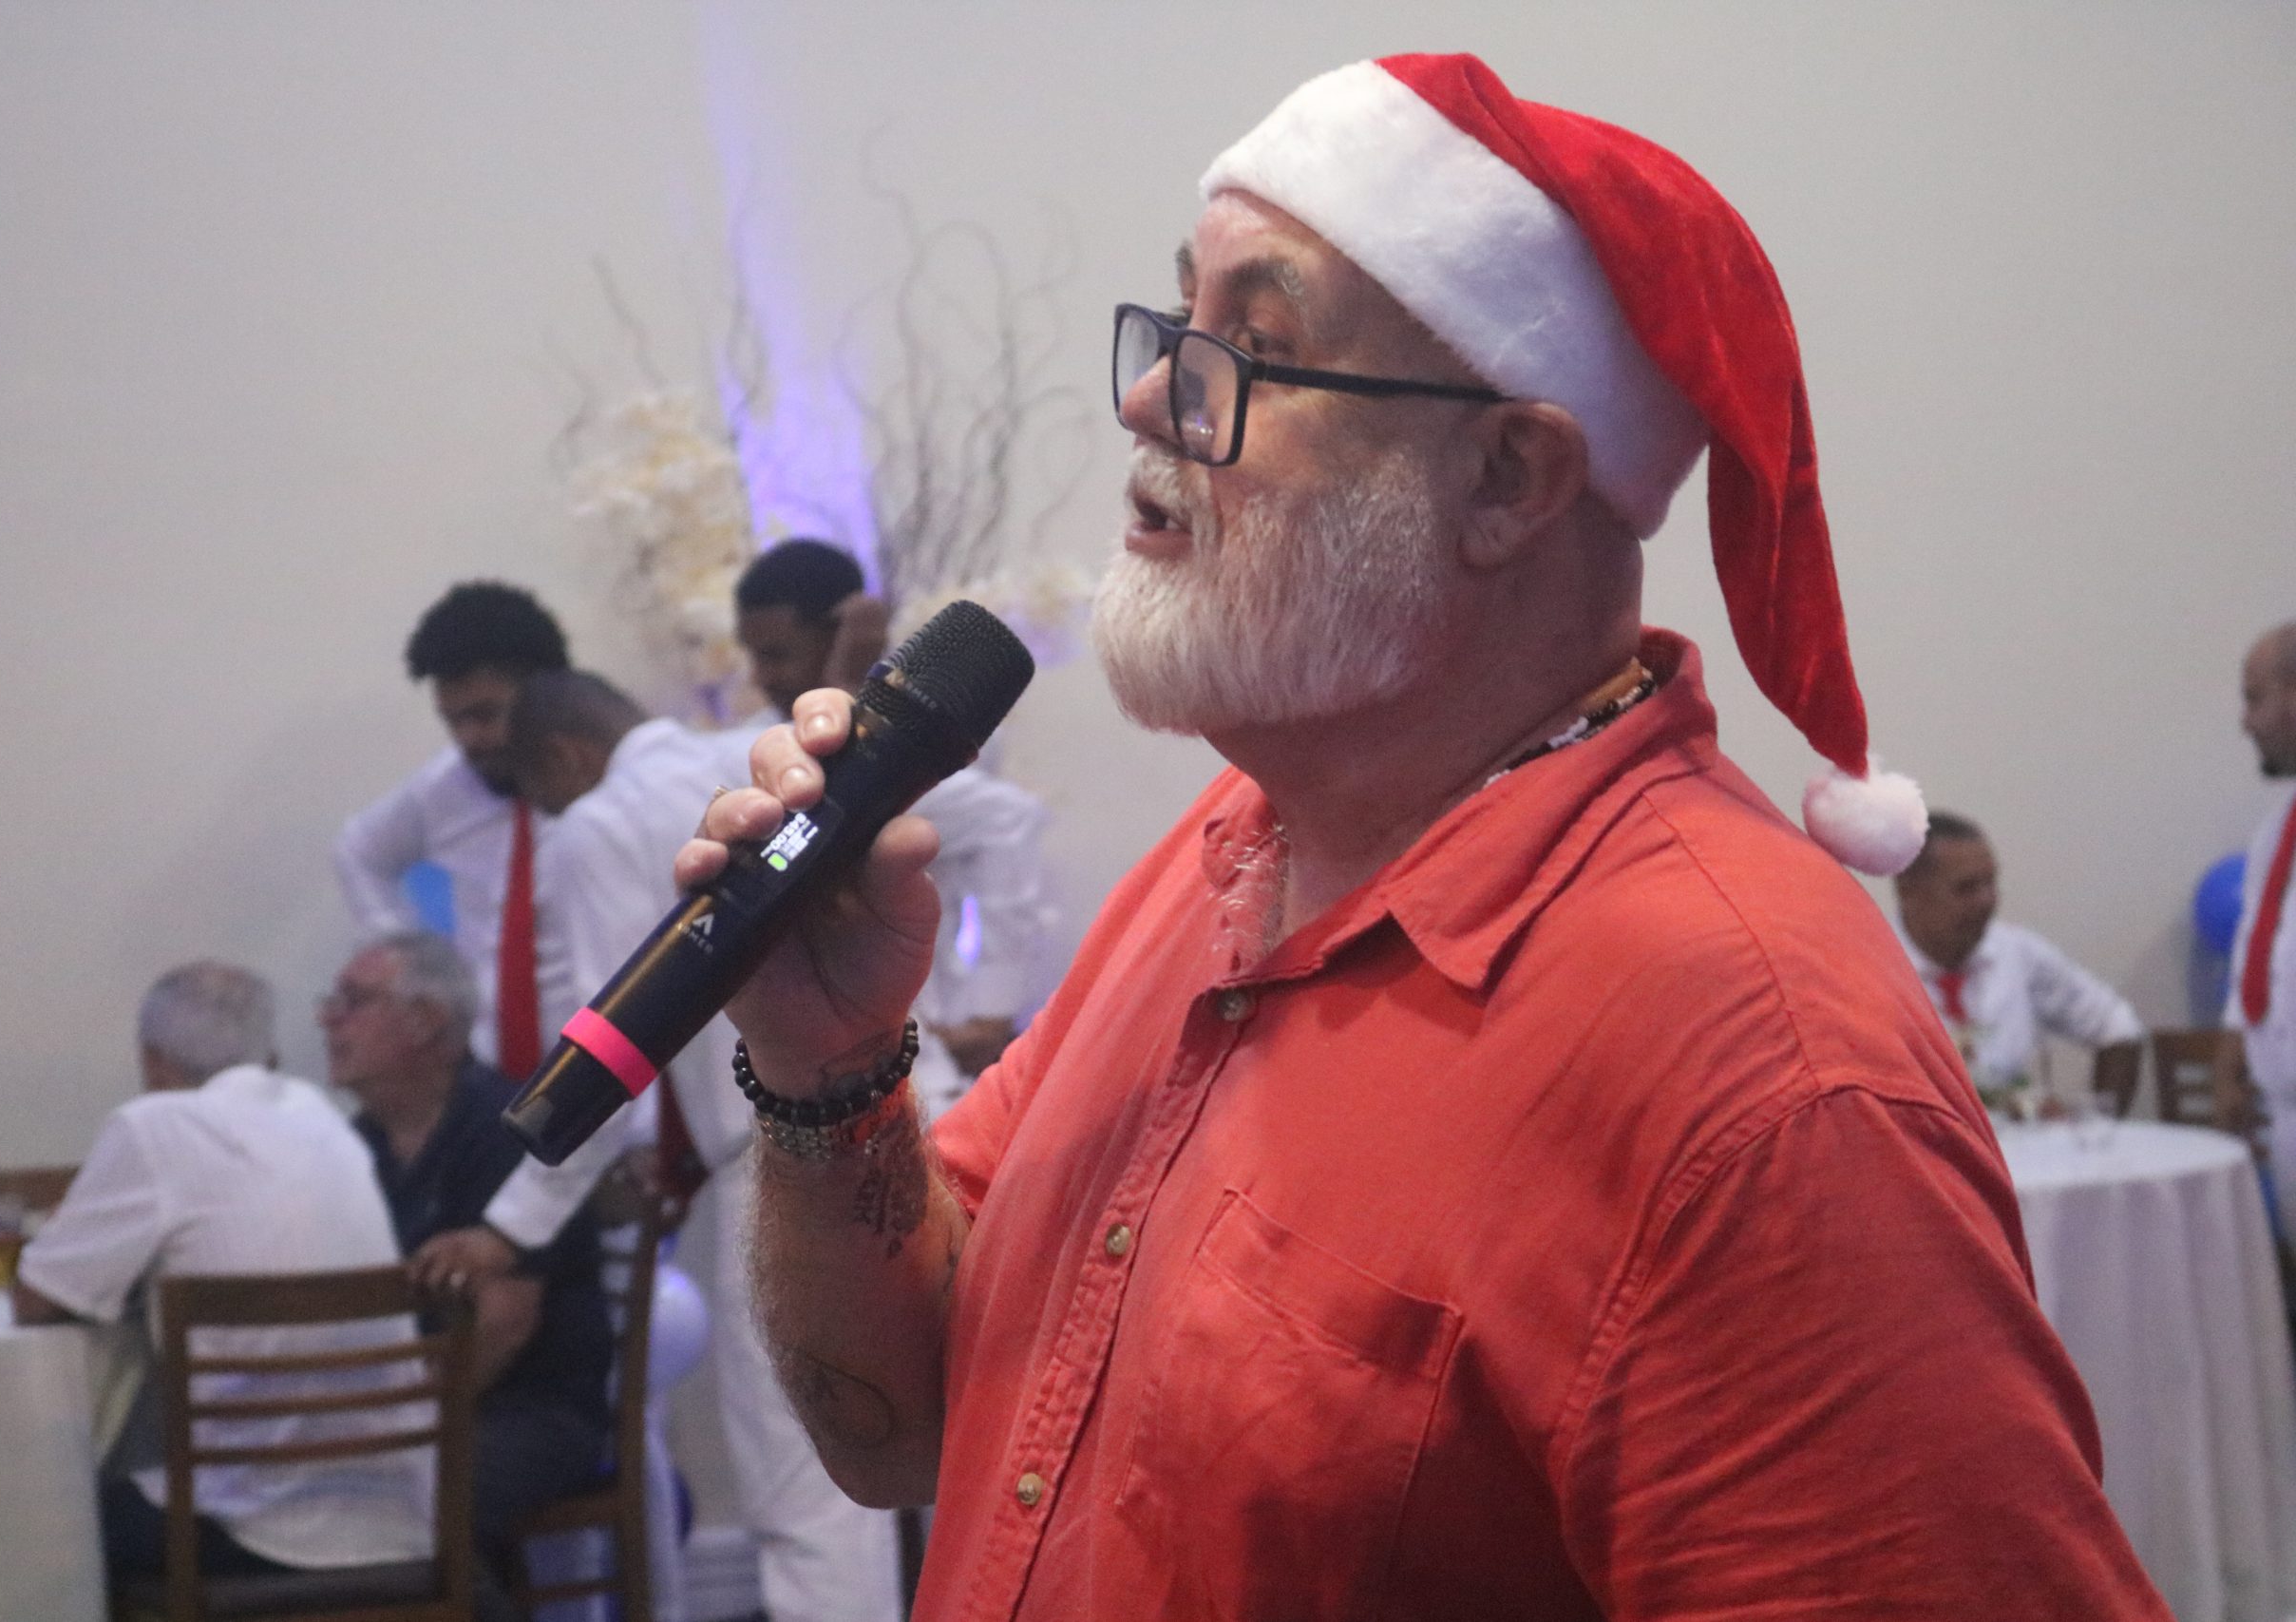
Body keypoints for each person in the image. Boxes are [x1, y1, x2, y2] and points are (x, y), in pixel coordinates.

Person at [679, 53, 2165, 1618]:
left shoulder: (1759, 1071)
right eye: (1178, 321)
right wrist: (827, 1067)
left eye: (1256, 348)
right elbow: (908, 1424)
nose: (1148, 397)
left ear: (1506, 476)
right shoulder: (1239, 848)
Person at [413, 671, 904, 1622]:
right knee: (931, 1460)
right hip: (918, 1121)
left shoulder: (601, 823)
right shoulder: (764, 752)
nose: (551, 819)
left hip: (788, 1157)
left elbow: (614, 1052)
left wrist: (510, 1228)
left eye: (543, 800)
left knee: (808, 1488)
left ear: (564, 759)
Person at [13, 963, 428, 1585]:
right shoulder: (322, 1118)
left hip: (249, 1525)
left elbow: (37, 1299)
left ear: (154, 1061)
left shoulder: (153, 1125)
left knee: (42, 1521)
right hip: (402, 1514)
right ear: (270, 1055)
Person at [325, 930, 613, 1603]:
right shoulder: (355, 1145)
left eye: (353, 1000)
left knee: (401, 1503)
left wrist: (394, 1422)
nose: (328, 1019)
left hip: (531, 1408)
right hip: (430, 1408)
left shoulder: (507, 1127)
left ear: (426, 1020)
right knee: (315, 1496)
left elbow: (504, 1323)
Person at [729, 538, 1057, 1100]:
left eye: (777, 654)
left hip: (923, 1074)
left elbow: (1008, 818)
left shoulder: (905, 749)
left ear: (842, 631)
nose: (761, 676)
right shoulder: (761, 748)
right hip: (812, 1071)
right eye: (753, 656)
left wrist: (992, 1008)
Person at [333, 582, 571, 1077]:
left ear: (547, 693)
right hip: (492, 1071)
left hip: (610, 1060)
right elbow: (357, 852)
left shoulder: (605, 784)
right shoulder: (444, 789)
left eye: (485, 715)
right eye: (453, 720)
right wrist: (418, 969)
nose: (469, 739)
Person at [1894, 810, 2144, 1102]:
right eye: (1966, 888)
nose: (1987, 900)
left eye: (1990, 882)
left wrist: (2098, 1119)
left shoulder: (2019, 954)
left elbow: (2118, 1027)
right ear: (1908, 890)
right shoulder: (1870, 968)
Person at [2230, 620, 2296, 1172]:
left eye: (2255, 699)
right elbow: (2257, 957)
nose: (2245, 722)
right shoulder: (2275, 834)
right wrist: (2235, 1064)